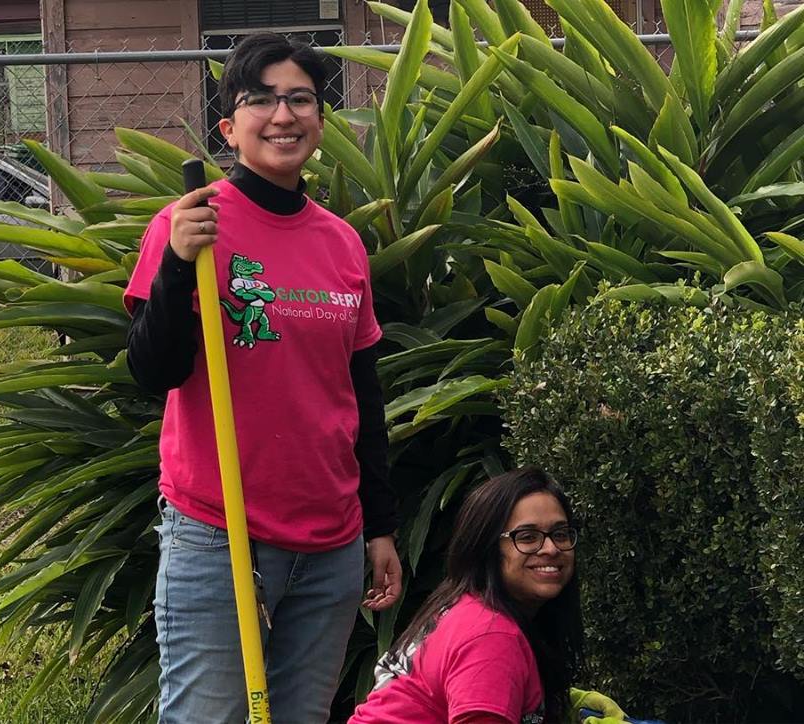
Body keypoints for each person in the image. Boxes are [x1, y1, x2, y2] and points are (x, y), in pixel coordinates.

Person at [124, 32, 402, 724]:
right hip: (221, 534)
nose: (283, 115)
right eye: (262, 100)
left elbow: (362, 396)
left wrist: (379, 527)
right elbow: (151, 370)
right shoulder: (190, 224)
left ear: (322, 120)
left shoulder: (341, 243)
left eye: (300, 99)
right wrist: (176, 268)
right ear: (229, 125)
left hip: (332, 541)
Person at [348, 467, 627, 724]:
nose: (551, 548)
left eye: (561, 533)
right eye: (527, 537)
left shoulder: (466, 607)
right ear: (487, 547)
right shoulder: (491, 637)